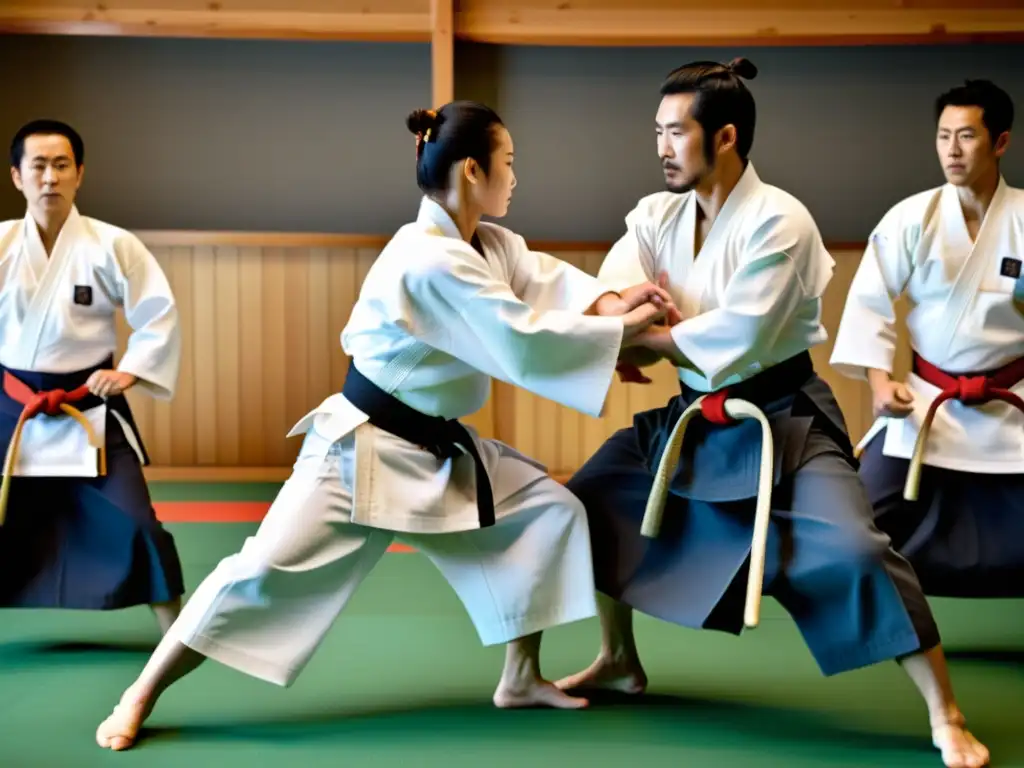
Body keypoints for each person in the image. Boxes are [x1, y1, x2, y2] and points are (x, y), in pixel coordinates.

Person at [95, 100, 677, 751]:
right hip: (358, 453)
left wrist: (609, 304)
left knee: (549, 511)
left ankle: (520, 676)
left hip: (439, 451)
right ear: (469, 171)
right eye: (507, 164)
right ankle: (140, 692)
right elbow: (522, 337)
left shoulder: (484, 241)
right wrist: (622, 333)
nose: (515, 177)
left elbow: (545, 285)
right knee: (256, 576)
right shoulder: (427, 258)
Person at [555, 60, 990, 768]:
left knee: (856, 550)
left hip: (782, 418)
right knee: (588, 503)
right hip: (694, 417)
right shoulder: (656, 215)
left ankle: (946, 711)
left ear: (724, 136)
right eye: (657, 132)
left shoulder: (781, 221)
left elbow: (737, 337)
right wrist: (619, 316)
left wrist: (646, 335)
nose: (662, 147)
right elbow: (609, 289)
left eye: (676, 132)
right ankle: (617, 658)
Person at [830, 79, 1023, 600]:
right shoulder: (911, 217)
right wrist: (878, 381)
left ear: (1000, 142)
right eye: (943, 137)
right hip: (928, 401)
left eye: (966, 136)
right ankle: (888, 615)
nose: (952, 151)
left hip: (1013, 401)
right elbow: (869, 302)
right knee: (862, 517)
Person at [0, 119, 184, 634]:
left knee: (137, 520)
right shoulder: (1, 244)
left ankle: (179, 634)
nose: (50, 177)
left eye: (61, 165)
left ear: (79, 173)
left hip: (88, 404)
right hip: (11, 406)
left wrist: (130, 370)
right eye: (38, 165)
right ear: (17, 176)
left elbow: (158, 314)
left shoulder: (113, 245)